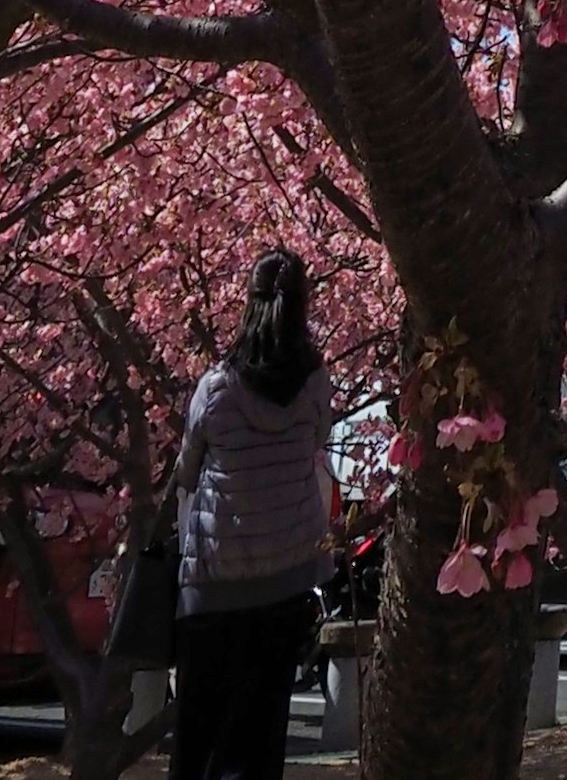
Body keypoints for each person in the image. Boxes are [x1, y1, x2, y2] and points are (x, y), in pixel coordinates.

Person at [169, 253, 334, 780]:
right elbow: (318, 443)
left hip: (217, 583)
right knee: (263, 737)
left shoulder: (216, 389)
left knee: (199, 738)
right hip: (286, 580)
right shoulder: (314, 385)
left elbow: (186, 473)